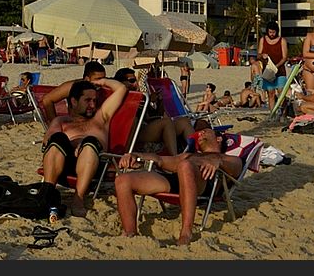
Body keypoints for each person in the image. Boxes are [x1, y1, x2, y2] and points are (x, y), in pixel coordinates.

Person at [115, 127, 244, 245]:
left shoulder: (225, 158)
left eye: (205, 131)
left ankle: (186, 233)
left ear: (219, 138)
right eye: (200, 132)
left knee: (185, 165)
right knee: (123, 180)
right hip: (177, 180)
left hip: (203, 183)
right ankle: (130, 232)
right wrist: (137, 155)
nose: (200, 133)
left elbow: (237, 167)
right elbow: (160, 160)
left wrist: (218, 162)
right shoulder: (189, 155)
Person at [39, 76, 128, 217]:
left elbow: (121, 89)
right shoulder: (62, 121)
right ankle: (48, 192)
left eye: (94, 100)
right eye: (87, 100)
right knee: (57, 138)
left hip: (94, 165)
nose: (92, 105)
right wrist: (74, 145)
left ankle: (78, 198)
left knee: (90, 143)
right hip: (64, 165)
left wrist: (102, 82)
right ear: (74, 101)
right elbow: (48, 139)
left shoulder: (101, 117)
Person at [116, 67, 194, 156]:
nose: (135, 84)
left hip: (148, 126)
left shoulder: (138, 96)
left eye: (135, 80)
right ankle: (174, 157)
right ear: (121, 82)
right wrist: (147, 100)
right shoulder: (121, 97)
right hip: (136, 130)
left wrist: (159, 102)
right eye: (132, 80)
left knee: (184, 121)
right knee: (166, 122)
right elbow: (131, 116)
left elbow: (155, 115)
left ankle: (193, 152)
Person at [40, 61, 106, 123]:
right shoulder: (72, 87)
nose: (102, 82)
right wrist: (54, 123)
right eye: (98, 79)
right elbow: (47, 99)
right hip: (76, 126)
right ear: (87, 79)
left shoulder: (104, 87)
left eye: (104, 78)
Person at [258, 21, 288, 111]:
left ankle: (283, 113)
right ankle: (272, 114)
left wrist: (276, 66)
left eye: (273, 32)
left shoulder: (282, 40)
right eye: (270, 32)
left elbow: (284, 57)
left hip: (280, 71)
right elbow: (258, 55)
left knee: (281, 93)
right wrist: (262, 55)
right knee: (270, 93)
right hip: (268, 71)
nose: (272, 34)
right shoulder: (263, 40)